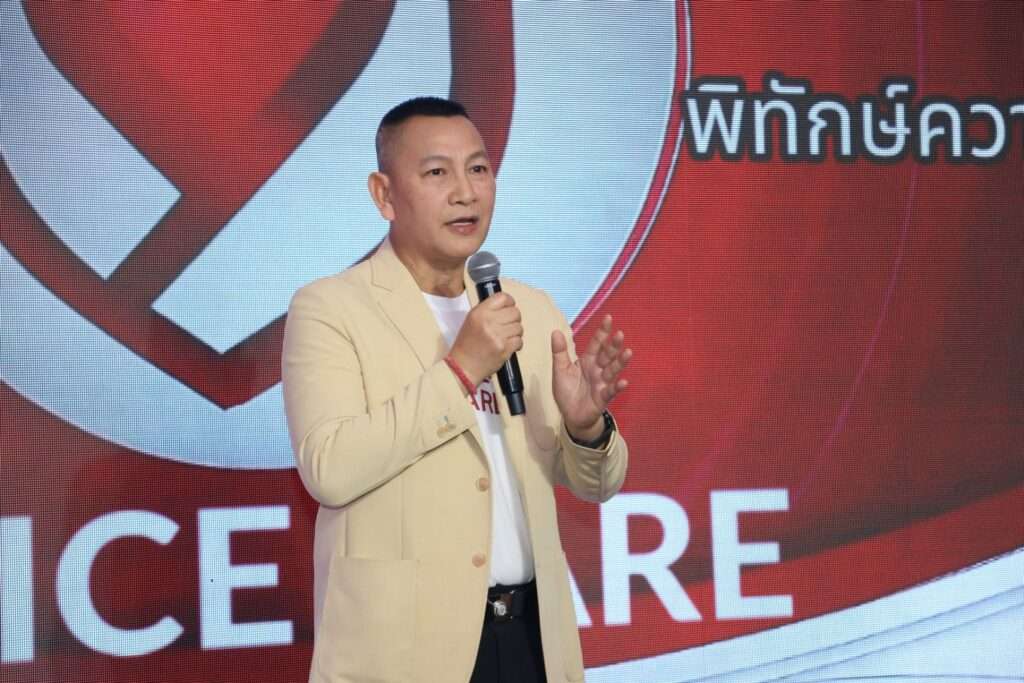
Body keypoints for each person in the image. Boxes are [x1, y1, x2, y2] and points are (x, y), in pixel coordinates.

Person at [282, 97, 631, 683]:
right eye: (437, 172)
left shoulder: (529, 308)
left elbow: (598, 484)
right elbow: (330, 469)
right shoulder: (331, 308)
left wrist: (585, 427)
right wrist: (462, 368)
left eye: (478, 168)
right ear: (384, 195)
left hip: (531, 640)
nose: (465, 192)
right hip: (405, 654)